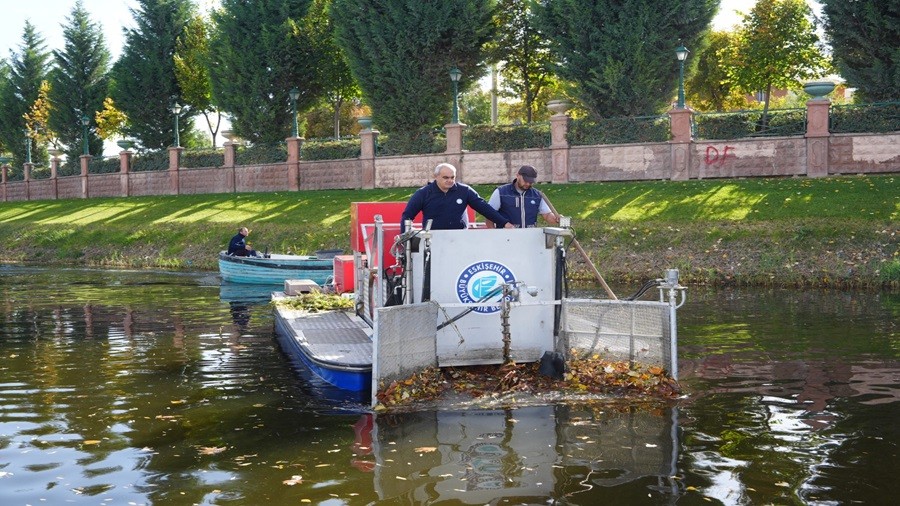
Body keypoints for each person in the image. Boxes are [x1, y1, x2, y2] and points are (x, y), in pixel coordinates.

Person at [401, 163, 513, 231]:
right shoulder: (423, 193)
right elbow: (407, 216)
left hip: (459, 237)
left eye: (452, 177)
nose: (450, 180)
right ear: (436, 176)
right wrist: (403, 239)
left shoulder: (464, 191)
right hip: (433, 238)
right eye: (446, 177)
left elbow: (484, 207)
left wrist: (504, 223)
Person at [486, 165, 558, 228]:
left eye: (531, 182)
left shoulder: (537, 195)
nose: (528, 183)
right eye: (525, 180)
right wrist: (493, 234)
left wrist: (556, 219)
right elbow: (490, 215)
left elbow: (547, 215)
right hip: (506, 237)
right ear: (517, 175)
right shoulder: (501, 192)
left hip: (530, 237)